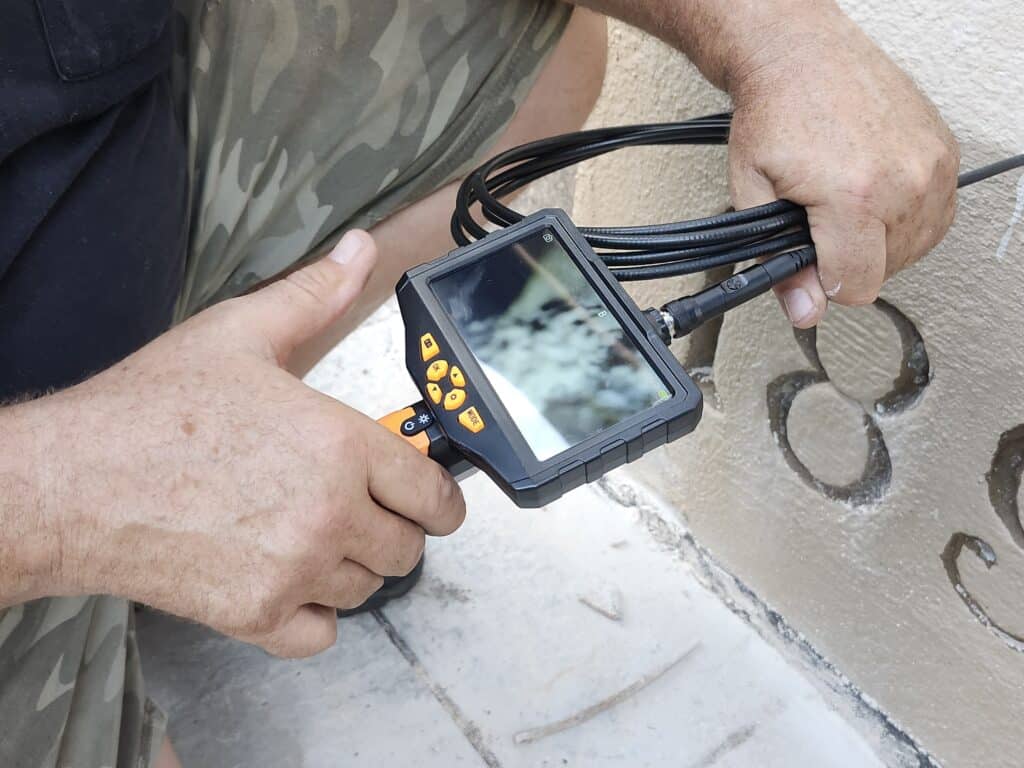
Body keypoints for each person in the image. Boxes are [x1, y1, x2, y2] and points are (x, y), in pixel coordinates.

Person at [0, 1, 959, 766]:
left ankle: (215, 469)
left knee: (533, 37)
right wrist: (70, 496)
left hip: (88, 107)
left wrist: (783, 35)